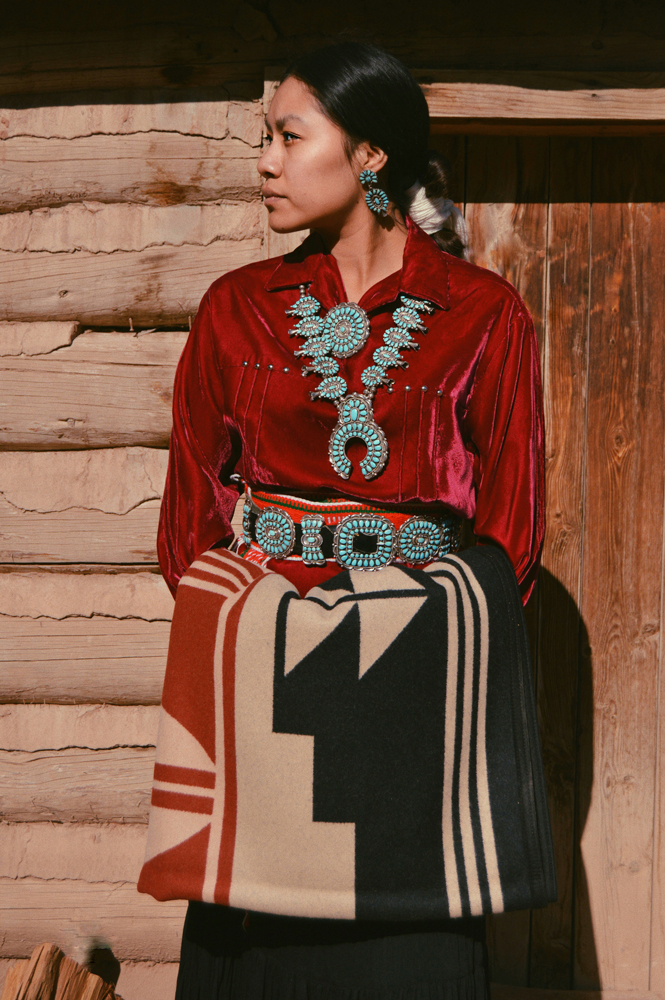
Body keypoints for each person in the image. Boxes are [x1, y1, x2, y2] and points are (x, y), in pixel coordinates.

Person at [158, 41, 545, 1000]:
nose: (266, 162)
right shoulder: (235, 310)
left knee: (403, 957)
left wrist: (412, 642)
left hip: (414, 680)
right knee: (260, 945)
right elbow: (188, 520)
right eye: (265, 139)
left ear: (370, 154)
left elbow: (511, 528)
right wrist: (256, 634)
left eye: (290, 137)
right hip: (265, 684)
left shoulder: (483, 316)